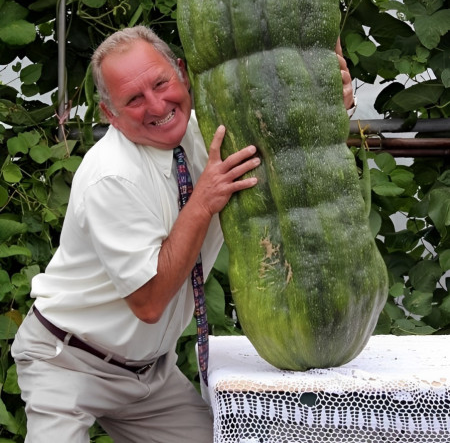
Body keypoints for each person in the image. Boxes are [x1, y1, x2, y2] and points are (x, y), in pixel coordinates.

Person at [12, 25, 356, 443]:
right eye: (133, 100)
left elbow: (288, 136)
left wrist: (328, 100)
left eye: (161, 83)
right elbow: (149, 301)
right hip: (67, 362)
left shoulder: (209, 132)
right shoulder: (110, 177)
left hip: (149, 373)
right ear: (110, 115)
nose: (156, 105)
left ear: (181, 72)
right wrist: (204, 200)